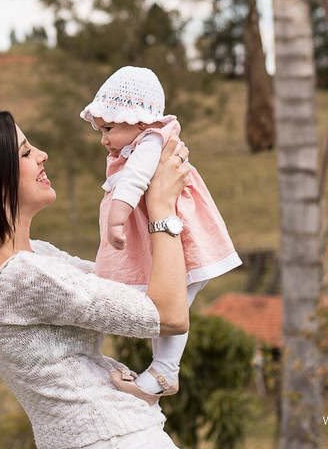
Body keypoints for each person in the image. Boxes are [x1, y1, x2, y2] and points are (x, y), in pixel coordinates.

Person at [0, 109, 193, 449]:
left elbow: (126, 287)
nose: (42, 155)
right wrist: (162, 207)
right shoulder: (21, 276)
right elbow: (167, 315)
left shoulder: (35, 257)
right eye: (25, 152)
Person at [79, 66, 240, 401]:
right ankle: (162, 370)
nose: (103, 139)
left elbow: (136, 180)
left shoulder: (151, 141)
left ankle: (165, 370)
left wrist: (116, 218)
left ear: (138, 121)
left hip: (182, 238)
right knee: (166, 304)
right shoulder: (143, 142)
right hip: (170, 236)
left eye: (108, 128)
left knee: (169, 308)